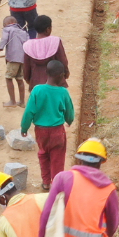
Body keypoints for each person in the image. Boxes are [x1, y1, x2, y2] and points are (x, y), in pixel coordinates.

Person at [23, 59, 76, 191]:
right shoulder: (63, 92)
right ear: (60, 76)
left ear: (47, 73)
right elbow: (69, 111)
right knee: (57, 158)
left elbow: (29, 111)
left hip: (40, 131)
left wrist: (24, 127)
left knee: (43, 154)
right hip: (57, 131)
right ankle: (57, 185)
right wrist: (69, 120)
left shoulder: (37, 90)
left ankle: (46, 182)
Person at [23, 15, 67, 89]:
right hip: (56, 84)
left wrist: (29, 81)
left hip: (36, 85)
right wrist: (65, 74)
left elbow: (26, 68)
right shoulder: (55, 42)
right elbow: (63, 60)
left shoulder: (28, 45)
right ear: (48, 29)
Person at [0, 17, 31, 109]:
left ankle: (12, 101)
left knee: (8, 78)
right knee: (19, 79)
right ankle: (21, 102)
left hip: (13, 58)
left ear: (7, 24)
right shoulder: (23, 32)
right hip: (23, 59)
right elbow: (28, 44)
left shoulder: (7, 29)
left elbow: (4, 40)